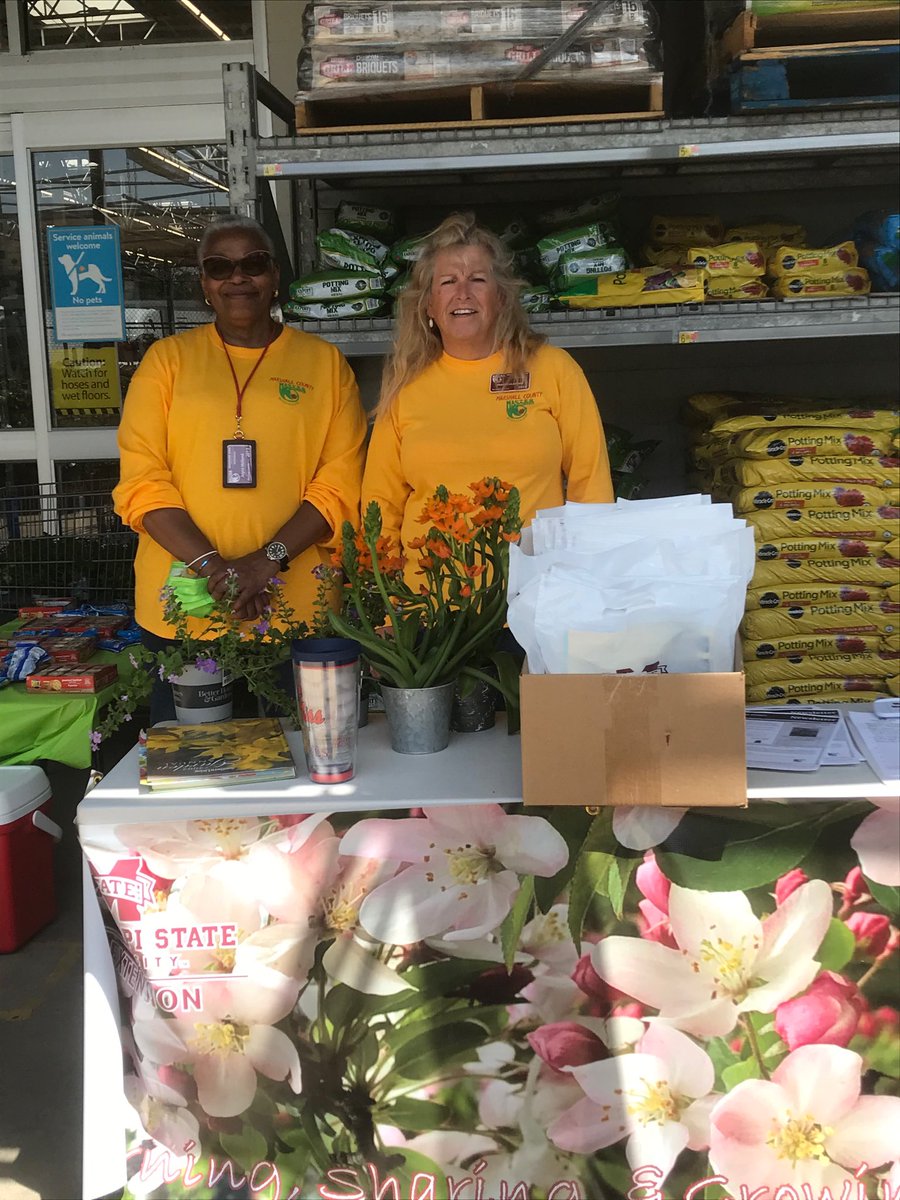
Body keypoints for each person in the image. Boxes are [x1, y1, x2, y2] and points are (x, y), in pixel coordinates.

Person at [113, 214, 366, 720]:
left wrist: (266, 562)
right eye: (219, 267)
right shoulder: (167, 362)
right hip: (187, 604)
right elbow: (142, 483)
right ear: (203, 284)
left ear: (274, 276)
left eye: (253, 263)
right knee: (196, 770)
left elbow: (340, 482)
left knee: (302, 766)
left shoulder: (324, 363)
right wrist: (215, 569)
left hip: (298, 607)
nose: (238, 277)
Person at [362, 211, 613, 562]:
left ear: (501, 298)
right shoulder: (407, 383)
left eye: (477, 280)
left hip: (535, 597)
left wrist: (586, 577)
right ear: (428, 305)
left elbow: (593, 488)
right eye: (448, 282)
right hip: (430, 604)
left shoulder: (554, 369)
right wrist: (388, 595)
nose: (462, 293)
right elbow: (381, 503)